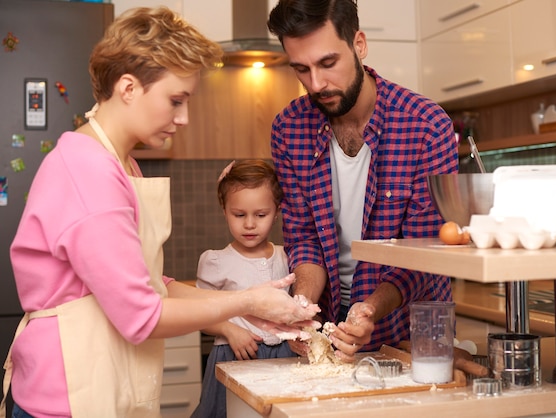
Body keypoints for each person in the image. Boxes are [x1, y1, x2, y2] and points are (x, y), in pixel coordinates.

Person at [1, 8, 319, 418]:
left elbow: (156, 283)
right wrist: (246, 302)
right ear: (129, 88)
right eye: (175, 100)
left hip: (101, 383)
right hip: (65, 397)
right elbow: (142, 315)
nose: (184, 118)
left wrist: (252, 304)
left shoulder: (120, 163)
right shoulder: (87, 170)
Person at [267, 0, 462, 361]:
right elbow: (304, 237)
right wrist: (303, 306)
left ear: (359, 44)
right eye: (301, 69)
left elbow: (425, 253)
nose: (316, 84)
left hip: (410, 333)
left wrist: (369, 309)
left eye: (328, 64)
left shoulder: (426, 126)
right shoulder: (288, 128)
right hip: (329, 328)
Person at [191, 159, 298, 418]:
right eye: (239, 215)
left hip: (283, 358)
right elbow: (199, 314)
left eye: (261, 215)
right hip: (233, 355)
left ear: (277, 211)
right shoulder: (215, 261)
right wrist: (229, 329)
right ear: (224, 210)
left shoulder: (288, 257)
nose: (249, 224)